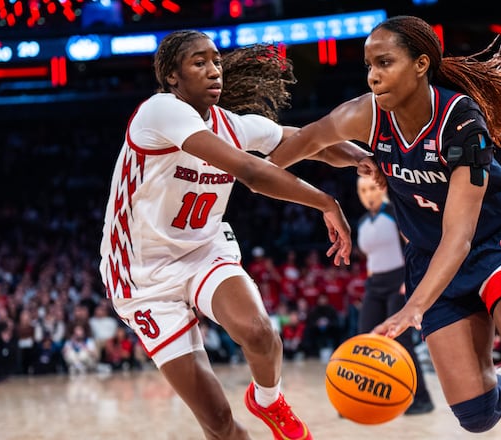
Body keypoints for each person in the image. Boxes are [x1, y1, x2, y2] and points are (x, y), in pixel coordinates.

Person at [268, 15, 501, 438]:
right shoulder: (362, 116)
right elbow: (300, 144)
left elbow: (459, 237)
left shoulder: (460, 121)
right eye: (368, 66)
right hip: (428, 256)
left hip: (497, 246)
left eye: (385, 63)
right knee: (476, 416)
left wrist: (413, 306)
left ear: (421, 64)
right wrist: (237, 170)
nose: (373, 76)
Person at [99, 30, 358, 440]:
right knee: (217, 421)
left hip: (203, 250)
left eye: (215, 60)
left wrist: (369, 161)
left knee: (258, 331)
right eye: (198, 63)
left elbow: (316, 142)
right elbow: (254, 174)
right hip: (143, 276)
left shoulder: (237, 126)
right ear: (171, 76)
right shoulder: (159, 111)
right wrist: (328, 202)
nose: (213, 70)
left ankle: (269, 399)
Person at [355, 174, 435, 415]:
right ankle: (365, 395)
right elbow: (371, 257)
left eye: (371, 188)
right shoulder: (361, 222)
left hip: (399, 281)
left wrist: (409, 281)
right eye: (363, 191)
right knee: (365, 339)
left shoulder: (395, 213)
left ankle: (422, 399)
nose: (368, 195)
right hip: (375, 284)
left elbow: (415, 246)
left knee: (401, 342)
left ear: (381, 188)